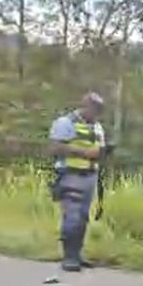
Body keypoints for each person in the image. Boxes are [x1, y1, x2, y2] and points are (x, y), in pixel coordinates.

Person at [48, 92, 107, 272]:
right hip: (70, 175)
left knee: (82, 217)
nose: (96, 113)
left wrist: (104, 153)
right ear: (85, 105)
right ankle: (69, 257)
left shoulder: (97, 127)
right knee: (72, 216)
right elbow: (55, 147)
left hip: (89, 176)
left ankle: (77, 254)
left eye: (99, 110)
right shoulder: (65, 123)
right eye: (94, 108)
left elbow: (98, 149)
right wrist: (84, 153)